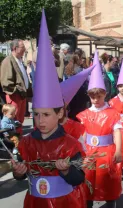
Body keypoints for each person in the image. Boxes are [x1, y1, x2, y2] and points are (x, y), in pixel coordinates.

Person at [11, 11, 86, 207]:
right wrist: (18, 172)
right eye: (36, 115)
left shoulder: (71, 145)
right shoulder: (26, 143)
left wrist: (67, 171)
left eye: (46, 115)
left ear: (60, 113)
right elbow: (22, 172)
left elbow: (79, 178)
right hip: (35, 202)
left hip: (65, 202)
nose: (40, 120)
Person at [76, 51, 123, 208]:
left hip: (107, 152)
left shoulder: (112, 113)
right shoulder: (85, 114)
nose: (95, 100)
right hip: (90, 153)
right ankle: (88, 204)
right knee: (88, 179)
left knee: (108, 180)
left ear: (105, 94)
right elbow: (82, 133)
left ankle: (110, 203)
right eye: (92, 97)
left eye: (99, 96)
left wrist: (118, 150)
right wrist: (82, 151)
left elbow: (117, 131)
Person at [0, 39, 32, 135]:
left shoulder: (19, 60)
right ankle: (14, 142)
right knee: (13, 120)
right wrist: (16, 91)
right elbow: (6, 82)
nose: (25, 49)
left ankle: (19, 140)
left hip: (21, 95)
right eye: (22, 47)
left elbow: (24, 78)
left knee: (19, 120)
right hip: (15, 96)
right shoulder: (8, 61)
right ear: (15, 48)